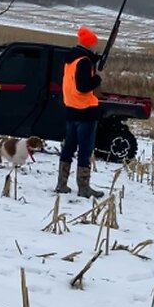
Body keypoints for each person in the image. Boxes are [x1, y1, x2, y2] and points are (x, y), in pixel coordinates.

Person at [55, 26, 104, 198]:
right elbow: (83, 86)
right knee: (85, 150)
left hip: (71, 109)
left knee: (68, 148)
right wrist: (97, 78)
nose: (96, 47)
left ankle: (61, 184)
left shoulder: (72, 59)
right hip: (86, 111)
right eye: (95, 44)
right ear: (89, 44)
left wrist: (95, 61)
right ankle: (84, 188)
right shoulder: (84, 62)